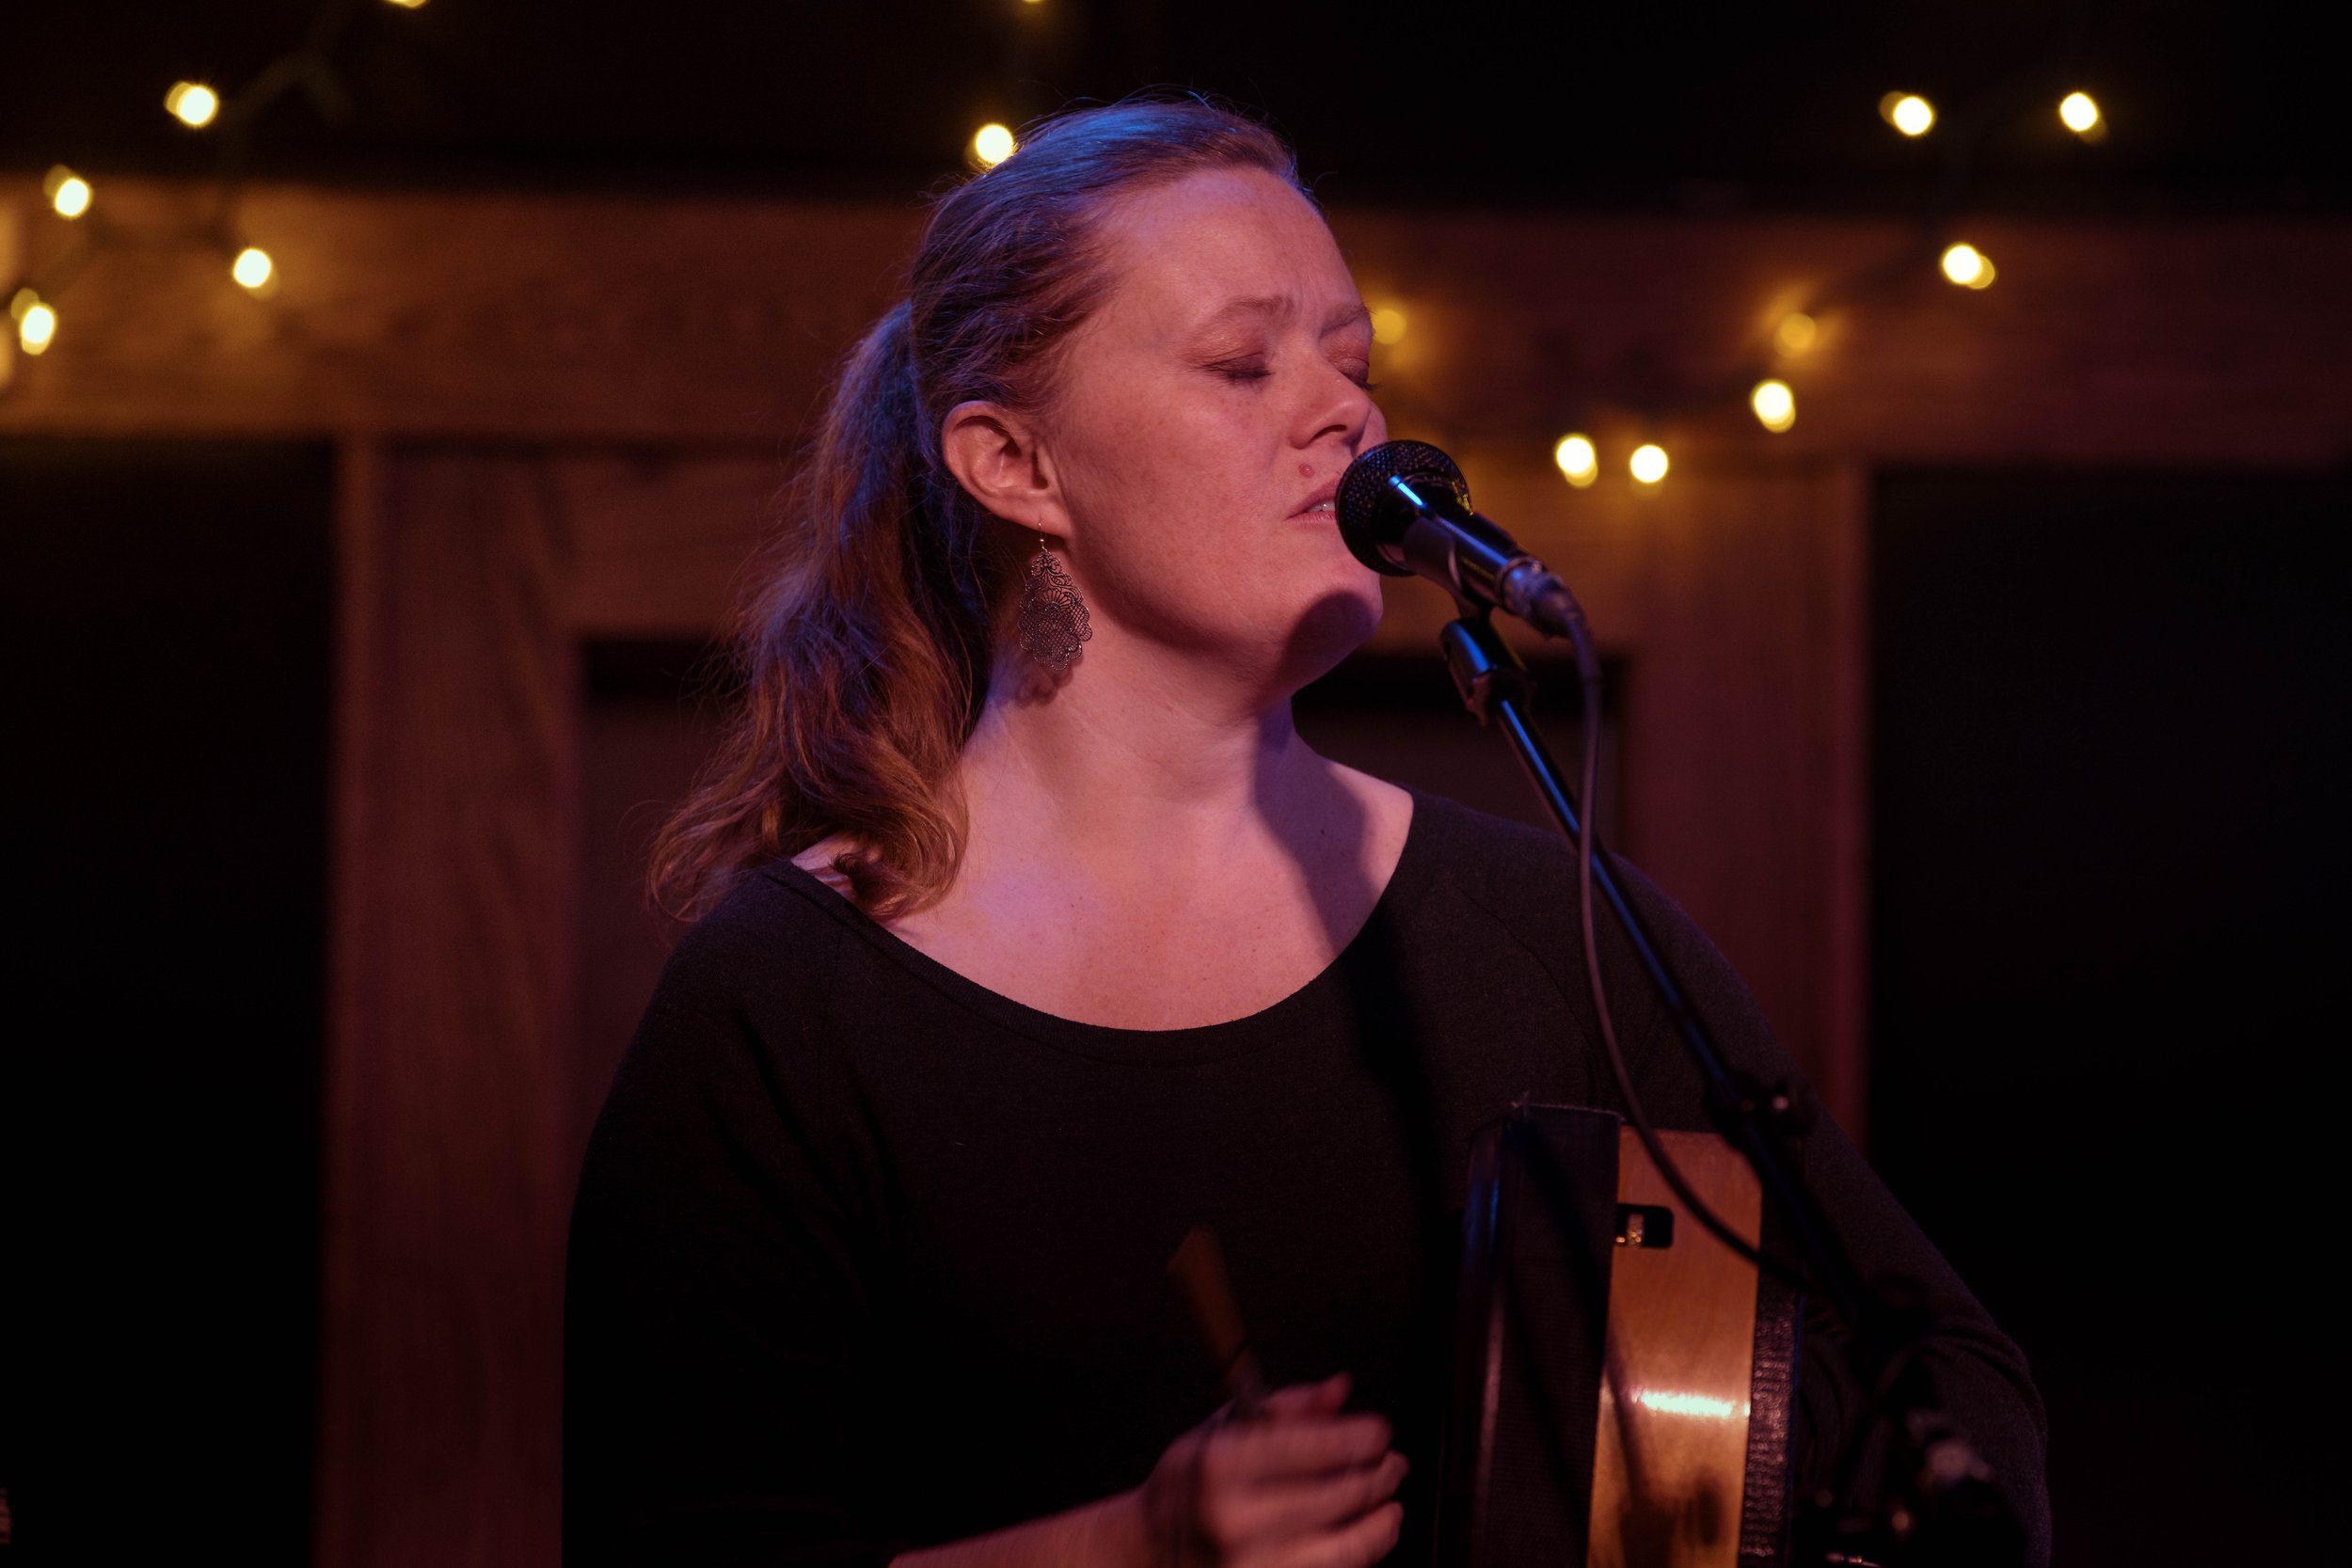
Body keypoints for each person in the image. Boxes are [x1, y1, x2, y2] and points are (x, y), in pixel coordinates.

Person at [562, 98, 2050, 1567]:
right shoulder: (789, 997)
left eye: (1354, 362)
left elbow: (1949, 1401)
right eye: (1242, 363)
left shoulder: (1553, 934)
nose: (1349, 416)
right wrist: (1131, 1552)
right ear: (1016, 463)